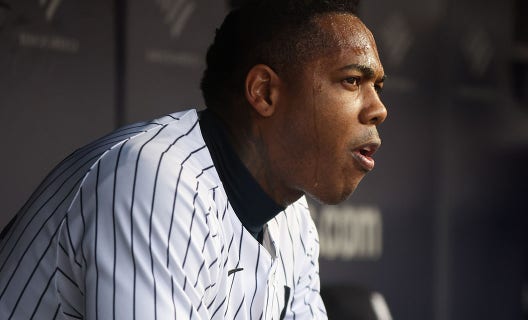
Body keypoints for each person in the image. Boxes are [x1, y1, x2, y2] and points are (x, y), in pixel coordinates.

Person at [0, 0, 387, 318]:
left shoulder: (293, 218)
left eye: (378, 86)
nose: (378, 109)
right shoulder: (155, 179)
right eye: (352, 80)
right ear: (265, 92)